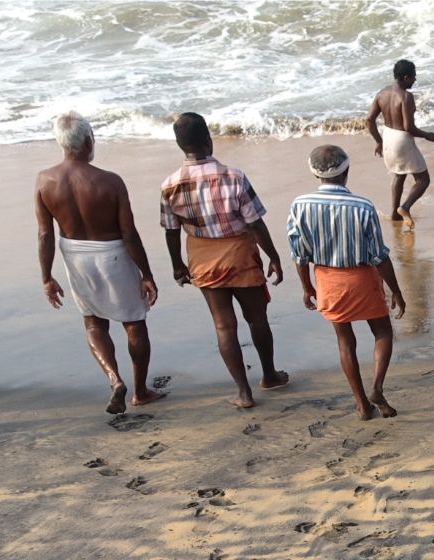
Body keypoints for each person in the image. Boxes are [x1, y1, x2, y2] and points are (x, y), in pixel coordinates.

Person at [34, 113, 164, 416]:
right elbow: (129, 233)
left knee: (93, 322)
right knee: (134, 323)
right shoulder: (110, 181)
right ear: (89, 141)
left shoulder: (44, 180)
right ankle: (140, 391)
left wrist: (46, 277)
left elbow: (44, 234)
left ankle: (114, 378)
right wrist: (147, 274)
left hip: (74, 254)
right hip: (114, 253)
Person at [159, 112, 289, 409]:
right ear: (209, 140)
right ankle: (269, 375)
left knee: (224, 327)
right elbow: (255, 224)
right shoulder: (234, 177)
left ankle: (243, 392)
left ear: (180, 145)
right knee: (257, 319)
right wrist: (274, 256)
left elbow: (171, 231)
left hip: (203, 259)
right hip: (240, 254)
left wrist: (177, 264)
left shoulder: (169, 185)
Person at [287, 145, 407, 420]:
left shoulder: (300, 205)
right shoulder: (363, 206)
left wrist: (307, 288)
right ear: (347, 171)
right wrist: (396, 290)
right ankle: (377, 387)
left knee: (345, 341)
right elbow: (379, 256)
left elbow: (299, 254)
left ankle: (362, 404)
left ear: (314, 173)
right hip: (362, 277)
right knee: (383, 333)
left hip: (328, 280)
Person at [365, 59, 434, 224]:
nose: (414, 80)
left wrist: (378, 141)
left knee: (399, 174)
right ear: (405, 77)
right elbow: (409, 127)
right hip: (402, 140)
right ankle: (405, 207)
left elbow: (369, 120)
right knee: (423, 180)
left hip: (388, 135)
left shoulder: (382, 93)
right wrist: (428, 135)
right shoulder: (406, 96)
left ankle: (394, 213)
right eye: (413, 77)